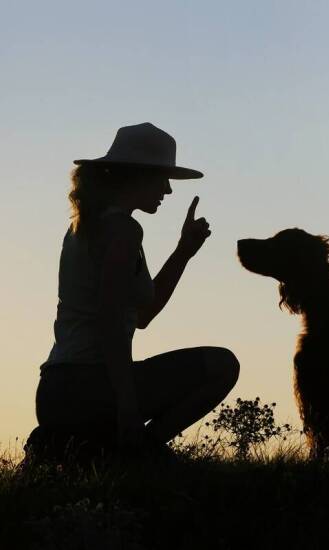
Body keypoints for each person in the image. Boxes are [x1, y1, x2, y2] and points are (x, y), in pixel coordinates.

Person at [27, 123, 239, 464]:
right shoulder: (123, 230)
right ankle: (140, 452)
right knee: (222, 365)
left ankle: (108, 449)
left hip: (58, 390)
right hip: (89, 385)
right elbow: (111, 323)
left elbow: (141, 316)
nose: (168, 190)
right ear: (137, 176)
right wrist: (127, 408)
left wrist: (184, 251)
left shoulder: (90, 226)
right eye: (162, 178)